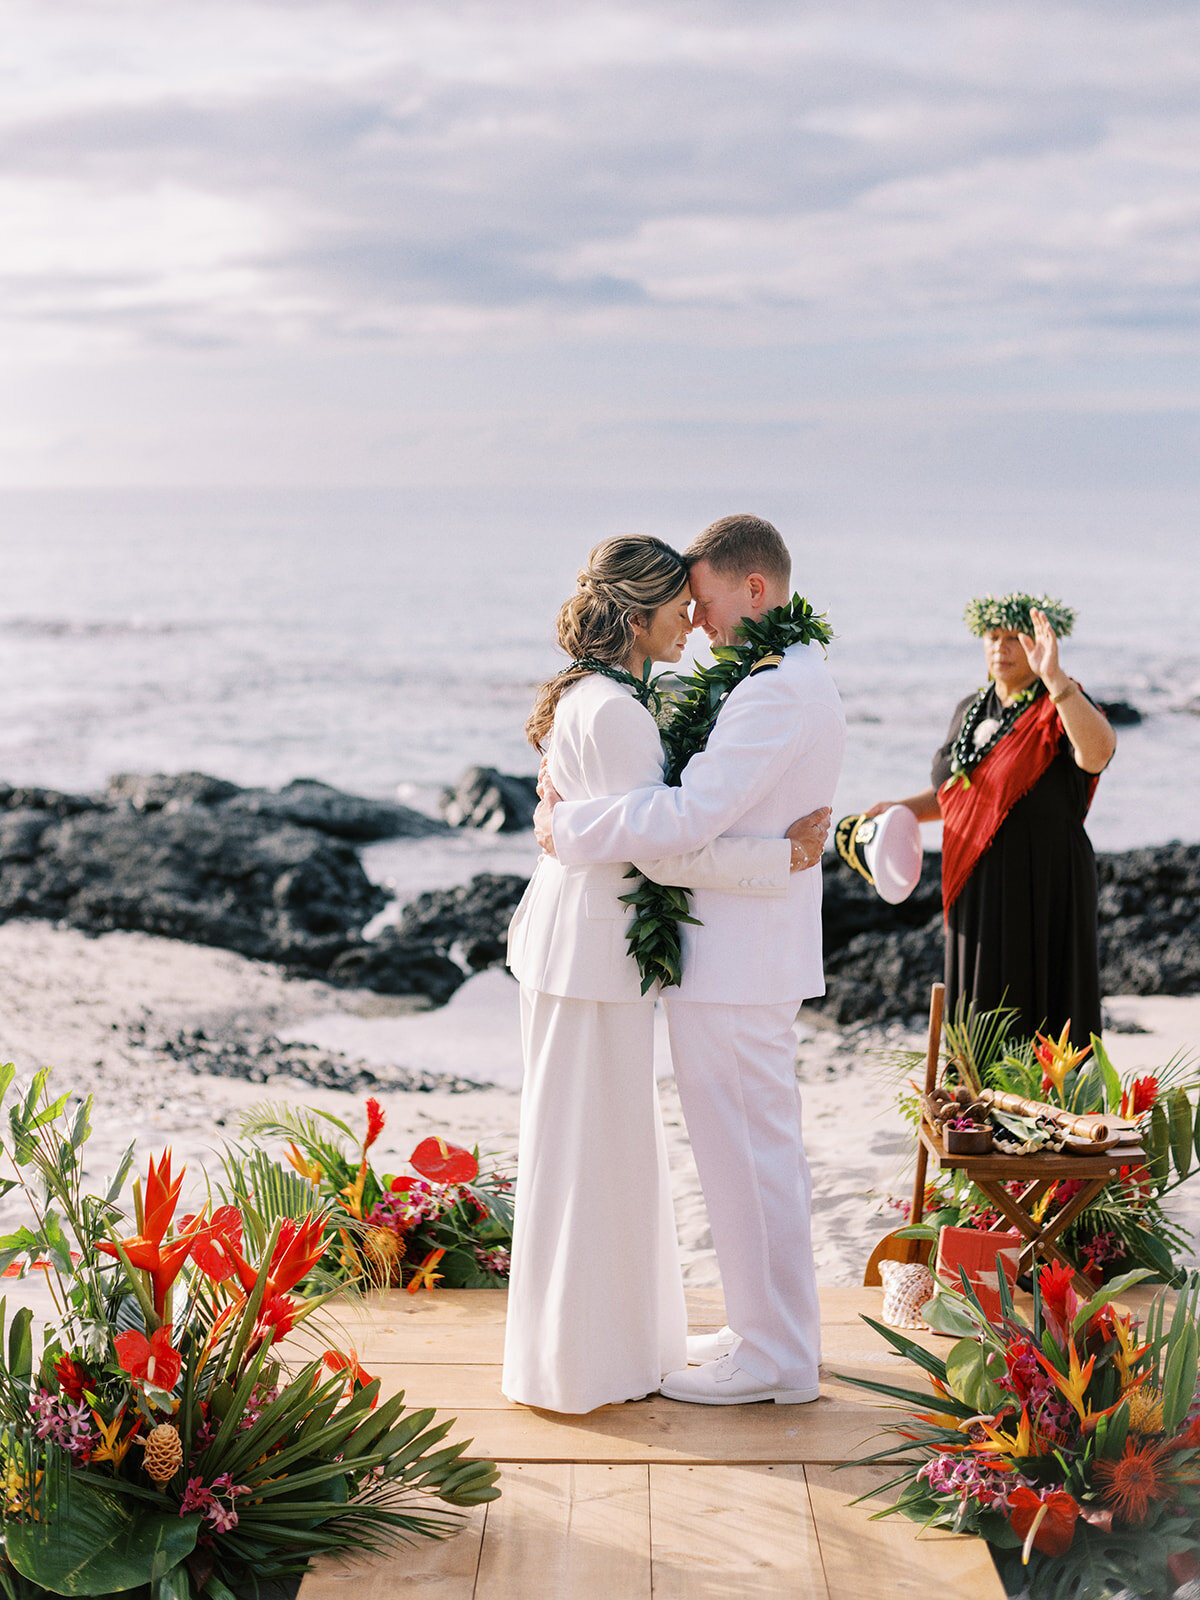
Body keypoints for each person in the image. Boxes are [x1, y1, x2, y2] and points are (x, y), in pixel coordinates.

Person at [503, 534, 829, 1415]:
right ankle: (587, 1361)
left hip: (595, 952)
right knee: (590, 1153)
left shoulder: (611, 698)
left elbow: (663, 827)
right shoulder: (616, 709)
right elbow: (669, 839)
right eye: (679, 604)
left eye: (700, 598)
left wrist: (570, 829)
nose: (693, 617)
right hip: (590, 955)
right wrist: (780, 858)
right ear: (637, 614)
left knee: (597, 1152)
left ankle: (606, 1351)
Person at [864, 594, 1116, 1046]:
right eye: (993, 636)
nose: (1001, 647)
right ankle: (978, 1108)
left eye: (1015, 638)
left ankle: (1048, 1107)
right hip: (976, 879)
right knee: (980, 1005)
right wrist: (901, 808)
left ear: (1040, 642)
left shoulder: (1059, 703)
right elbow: (962, 794)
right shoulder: (970, 709)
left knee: (1042, 1001)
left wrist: (1055, 679)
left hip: (1045, 878)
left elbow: (1098, 754)